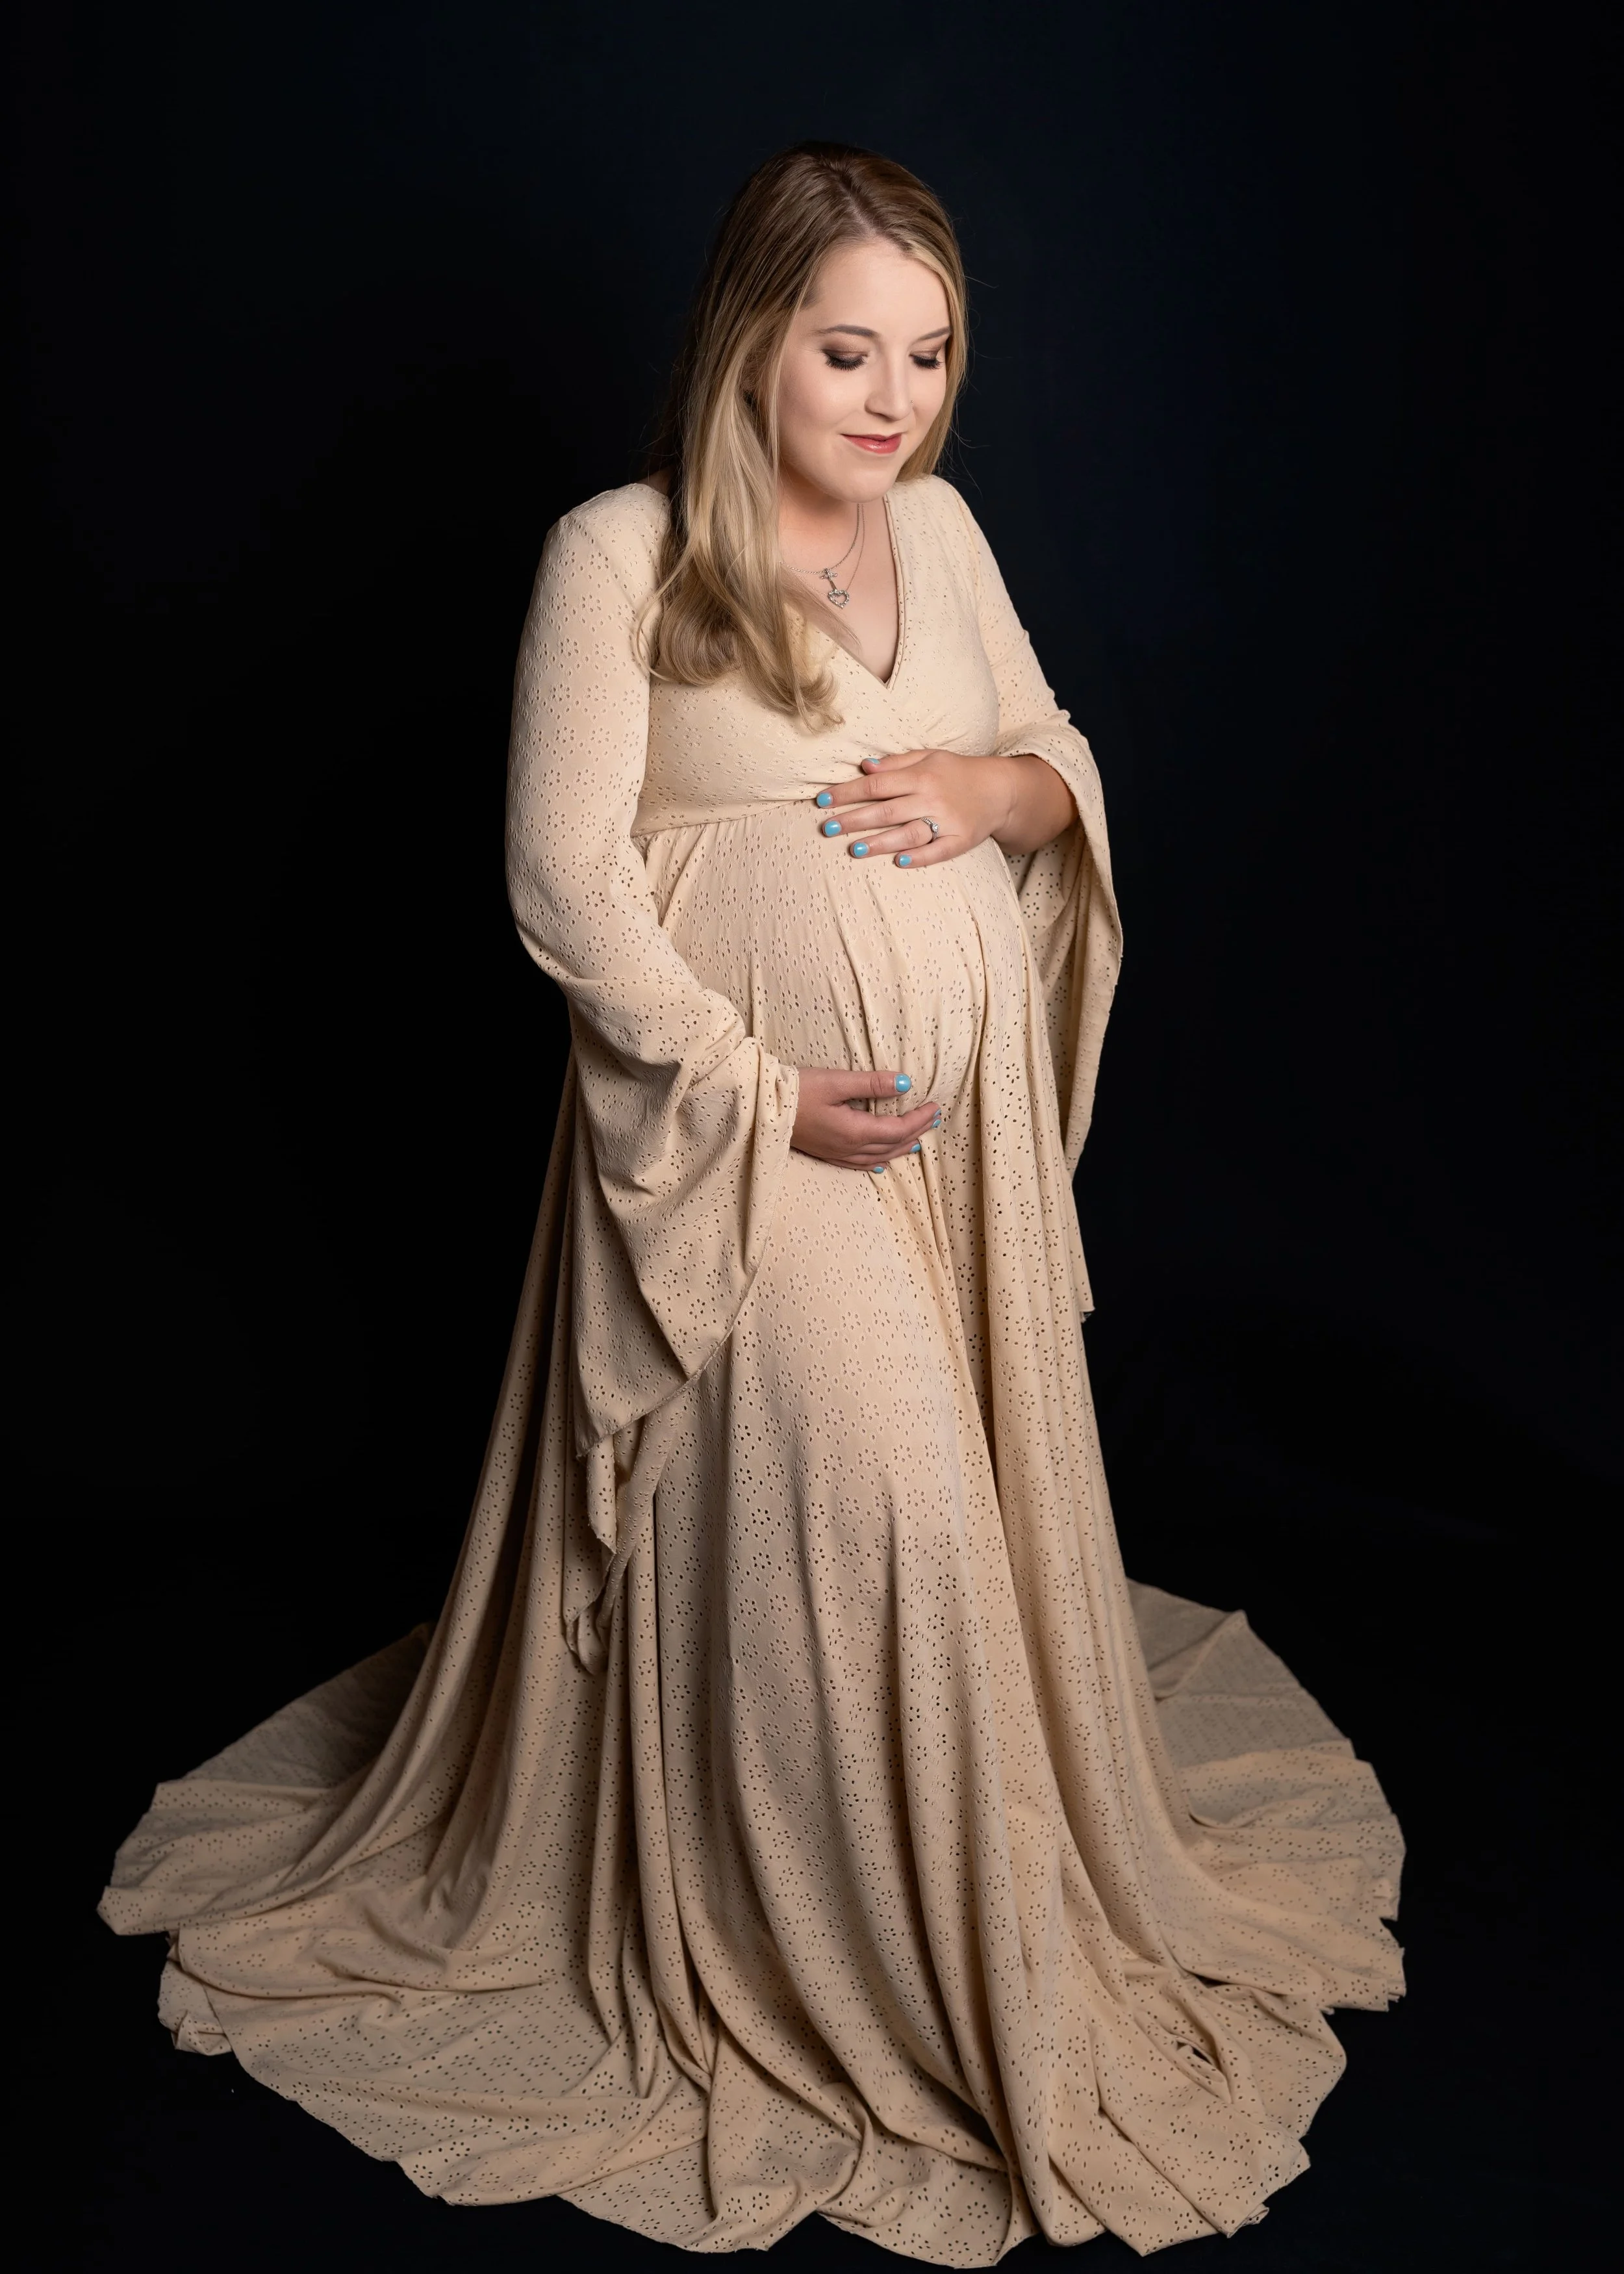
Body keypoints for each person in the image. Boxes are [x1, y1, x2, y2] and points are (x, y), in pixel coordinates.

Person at [100, 143, 1403, 2264]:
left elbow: (1041, 740)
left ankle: (982, 1911)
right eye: (844, 349)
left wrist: (994, 794)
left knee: (950, 1543)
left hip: (945, 1167)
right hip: (733, 1156)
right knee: (879, 1517)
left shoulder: (942, 530)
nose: (890, 397)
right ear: (749, 341)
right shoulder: (615, 554)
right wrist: (746, 1091)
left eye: (930, 352)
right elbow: (564, 878)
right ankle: (916, 1986)